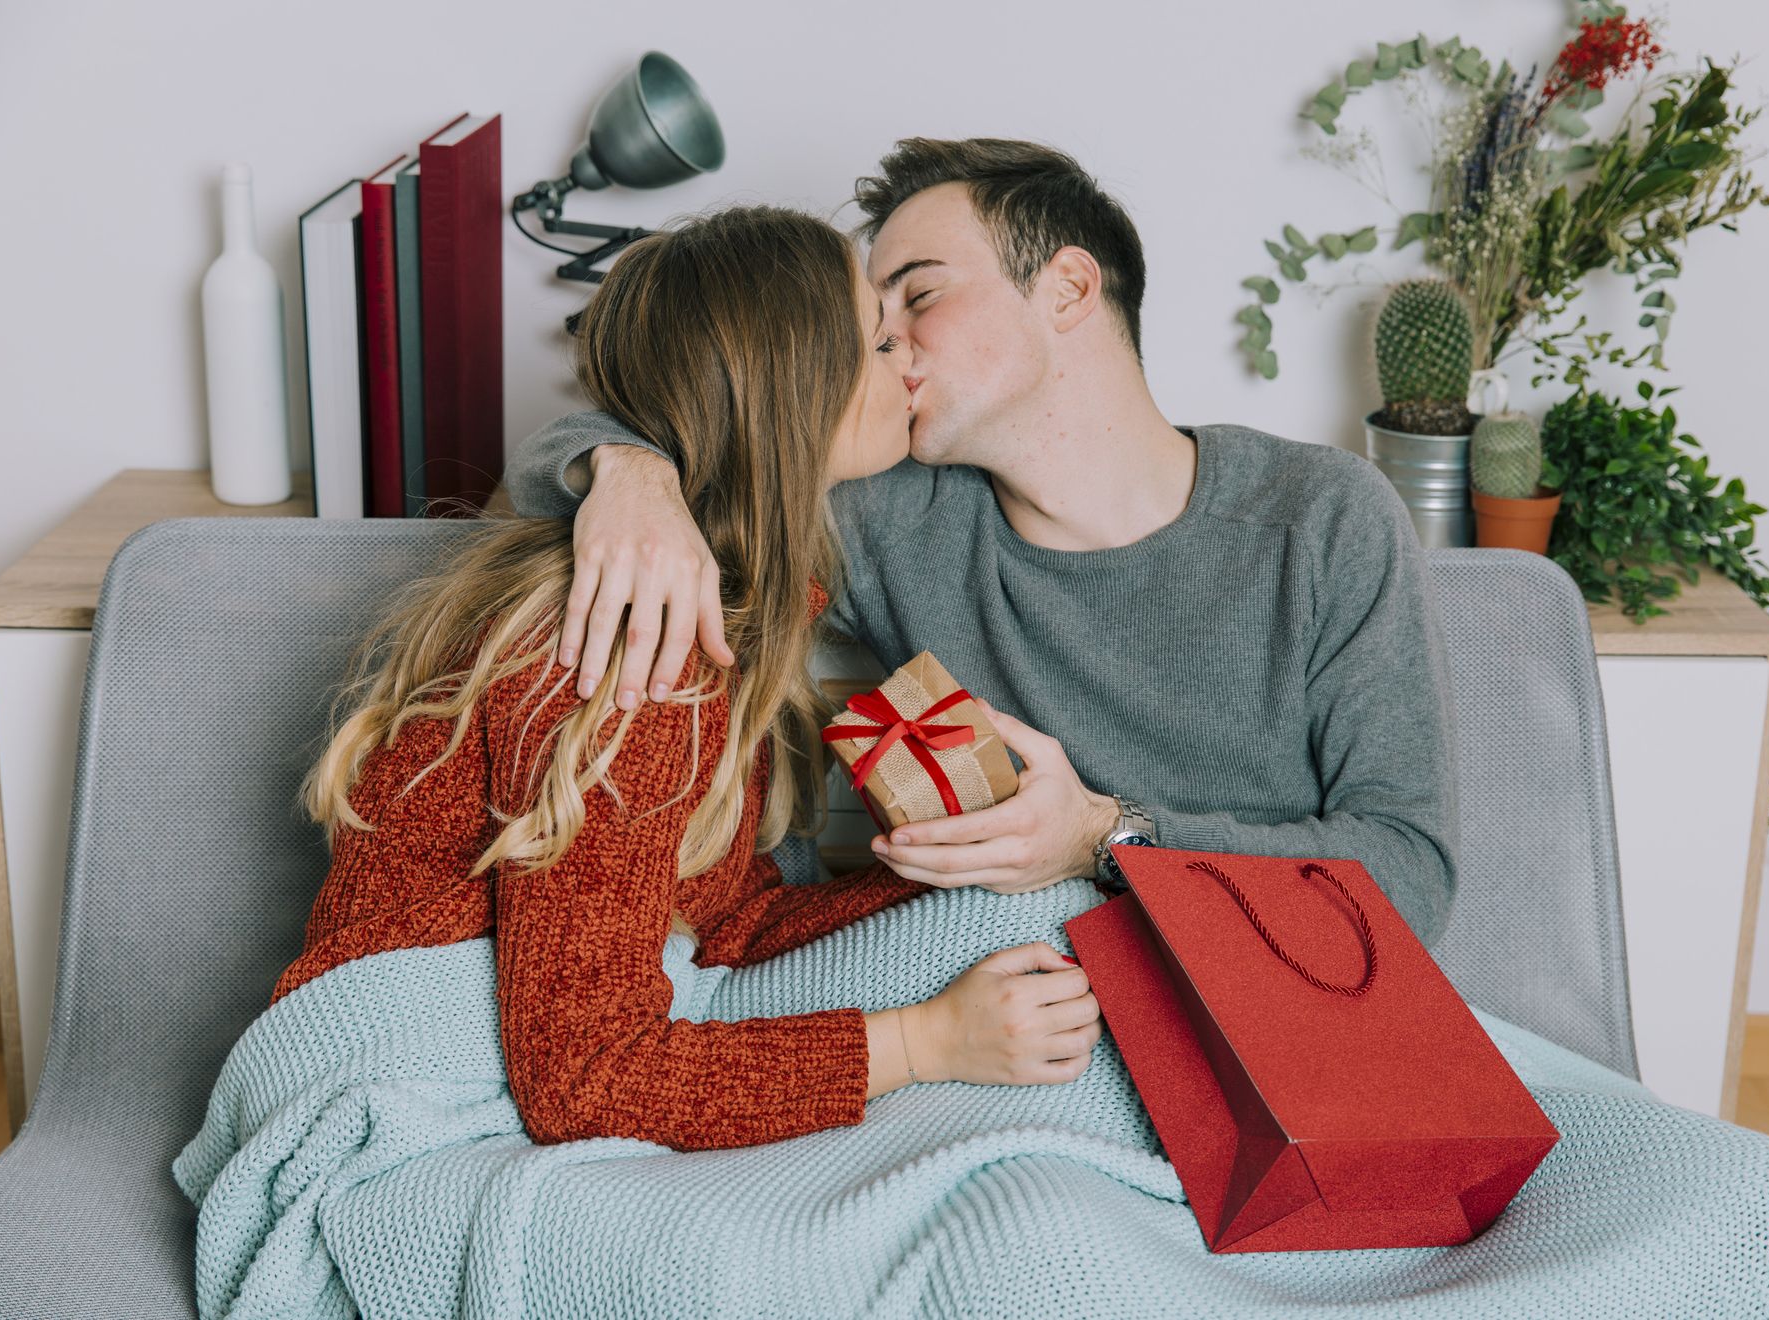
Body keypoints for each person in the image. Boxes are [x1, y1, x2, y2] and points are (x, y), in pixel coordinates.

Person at [271, 204, 1104, 1153]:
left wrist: (955, 869)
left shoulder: (732, 606)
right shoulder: (641, 663)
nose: (909, 353)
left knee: (1041, 917)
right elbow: (585, 1082)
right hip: (399, 1092)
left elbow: (722, 923)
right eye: (880, 341)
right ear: (795, 394)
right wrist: (926, 1042)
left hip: (548, 1046)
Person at [507, 137, 1463, 943]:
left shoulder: (1321, 517)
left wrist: (1104, 837)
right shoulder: (887, 514)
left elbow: (1410, 878)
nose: (883, 345)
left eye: (917, 296)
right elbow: (701, 425)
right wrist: (627, 474)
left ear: (1069, 288)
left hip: (1291, 1006)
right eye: (873, 318)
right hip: (1026, 1010)